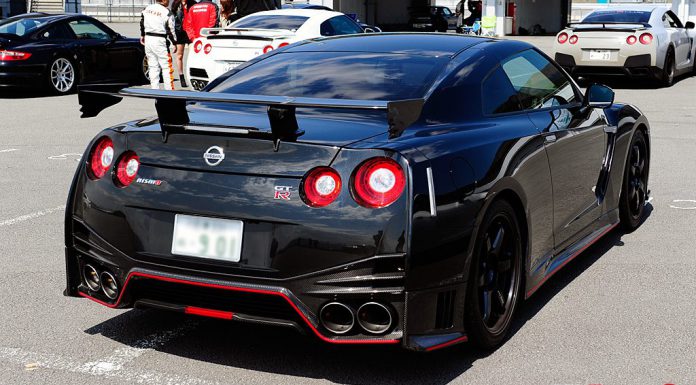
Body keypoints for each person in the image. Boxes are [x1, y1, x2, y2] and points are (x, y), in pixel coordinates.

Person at [140, 0, 177, 90]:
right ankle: (169, 92)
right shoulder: (167, 12)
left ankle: (155, 89)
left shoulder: (147, 9)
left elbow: (142, 22)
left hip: (148, 39)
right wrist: (174, 42)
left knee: (153, 66)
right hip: (160, 40)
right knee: (166, 67)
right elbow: (171, 29)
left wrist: (142, 35)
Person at [170, 0, 195, 87]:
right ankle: (181, 77)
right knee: (179, 55)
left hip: (190, 31)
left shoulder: (193, 3)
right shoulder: (176, 4)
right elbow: (172, 20)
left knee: (192, 55)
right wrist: (173, 39)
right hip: (180, 32)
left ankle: (191, 76)